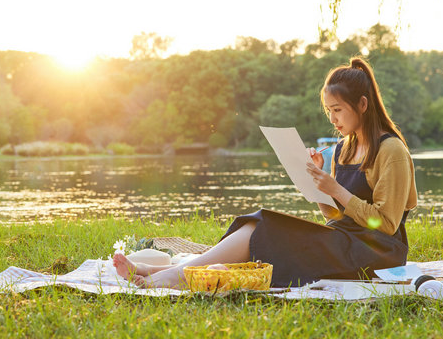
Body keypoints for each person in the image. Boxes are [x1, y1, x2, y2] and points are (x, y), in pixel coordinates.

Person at [113, 57, 417, 288]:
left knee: (266, 228)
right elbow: (336, 219)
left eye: (337, 109)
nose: (332, 118)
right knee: (262, 227)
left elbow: (387, 224)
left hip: (379, 253)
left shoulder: (391, 151)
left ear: (362, 105)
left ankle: (167, 278)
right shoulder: (342, 149)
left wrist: (335, 189)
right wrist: (317, 188)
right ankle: (159, 272)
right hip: (345, 240)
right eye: (328, 111)